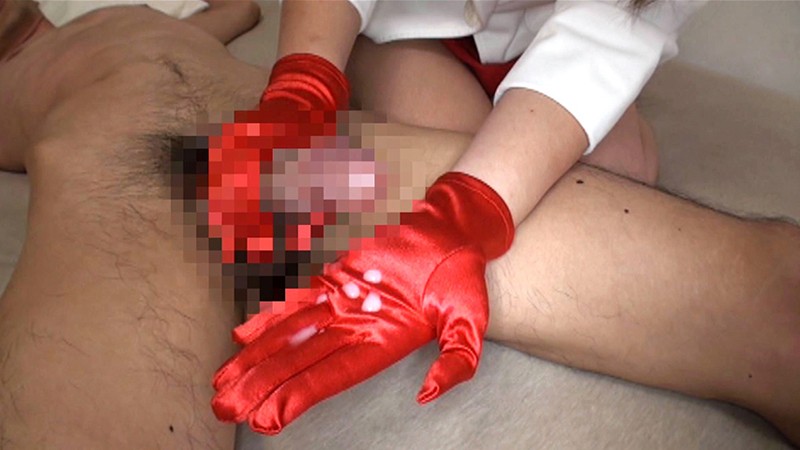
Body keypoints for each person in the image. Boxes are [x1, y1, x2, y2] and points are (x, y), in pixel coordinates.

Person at [0, 1, 798, 449]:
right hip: (141, 143)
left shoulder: (137, 16)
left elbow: (614, 30)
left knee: (621, 175)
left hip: (286, 126)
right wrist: (304, 79)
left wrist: (463, 216)